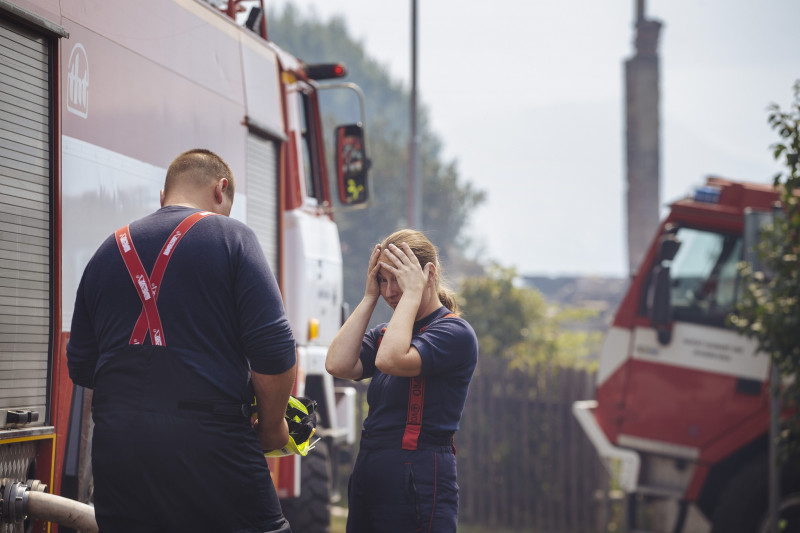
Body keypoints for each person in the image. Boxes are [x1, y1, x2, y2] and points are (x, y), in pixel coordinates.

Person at [66, 149, 297, 533]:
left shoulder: (107, 250)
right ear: (220, 190)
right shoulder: (232, 237)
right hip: (211, 446)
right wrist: (273, 426)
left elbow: (82, 368)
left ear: (163, 196)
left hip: (117, 452)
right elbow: (274, 352)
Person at [326, 229, 479, 533]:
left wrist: (412, 294)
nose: (390, 290)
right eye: (383, 280)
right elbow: (337, 364)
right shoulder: (388, 333)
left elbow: (390, 360)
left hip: (417, 475)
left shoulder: (454, 333)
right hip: (370, 471)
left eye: (398, 278)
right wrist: (370, 296)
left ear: (428, 274)